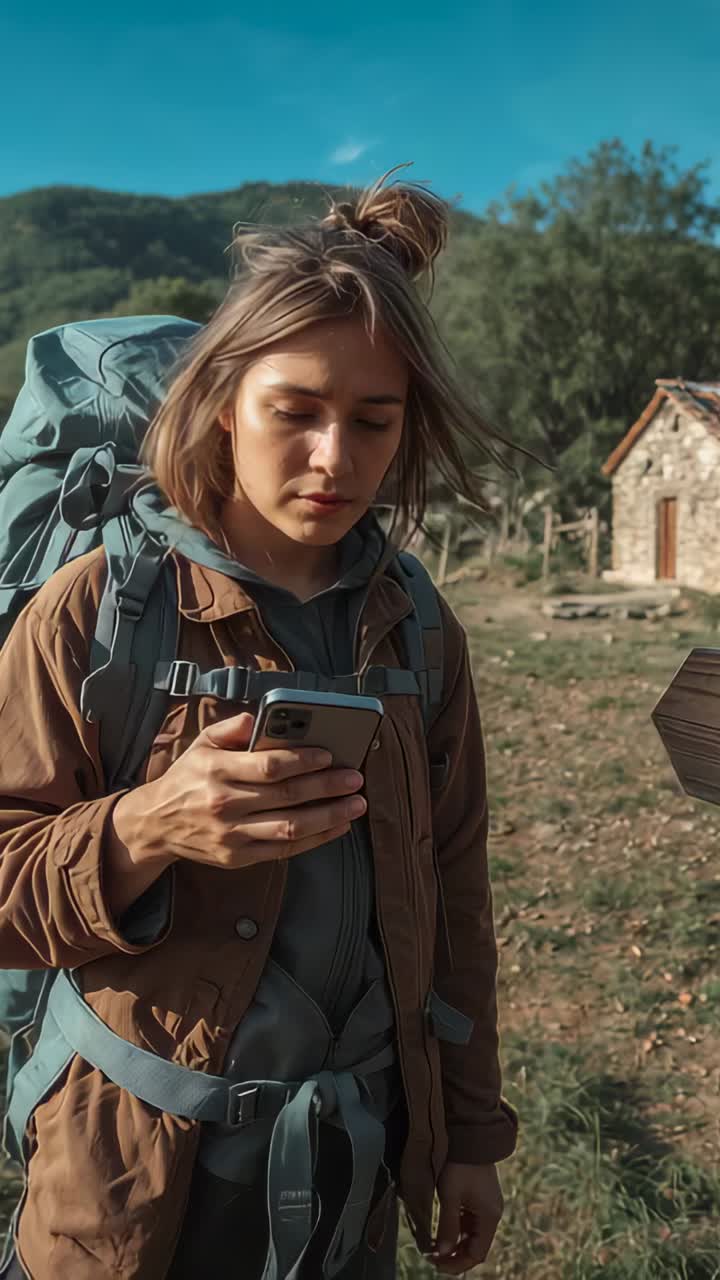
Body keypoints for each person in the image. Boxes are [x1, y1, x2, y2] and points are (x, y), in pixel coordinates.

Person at [0, 166, 518, 1280]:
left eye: (373, 421)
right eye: (296, 412)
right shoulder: (94, 608)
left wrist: (470, 1134)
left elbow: (458, 889)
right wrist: (145, 828)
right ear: (225, 400)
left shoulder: (418, 627)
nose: (335, 460)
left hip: (350, 1168)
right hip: (125, 1181)